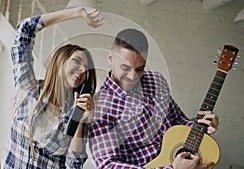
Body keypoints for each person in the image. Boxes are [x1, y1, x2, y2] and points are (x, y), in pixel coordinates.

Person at [89, 28, 219, 169]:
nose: (133, 77)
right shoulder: (98, 107)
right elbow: (109, 165)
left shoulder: (156, 80)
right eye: (125, 67)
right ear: (110, 58)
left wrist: (201, 127)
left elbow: (178, 120)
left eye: (140, 68)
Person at [1, 7, 103, 169]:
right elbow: (24, 30)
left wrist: (80, 120)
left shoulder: (74, 112)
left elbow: (74, 165)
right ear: (60, 62)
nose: (83, 70)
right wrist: (76, 13)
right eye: (77, 61)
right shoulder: (28, 88)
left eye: (86, 68)